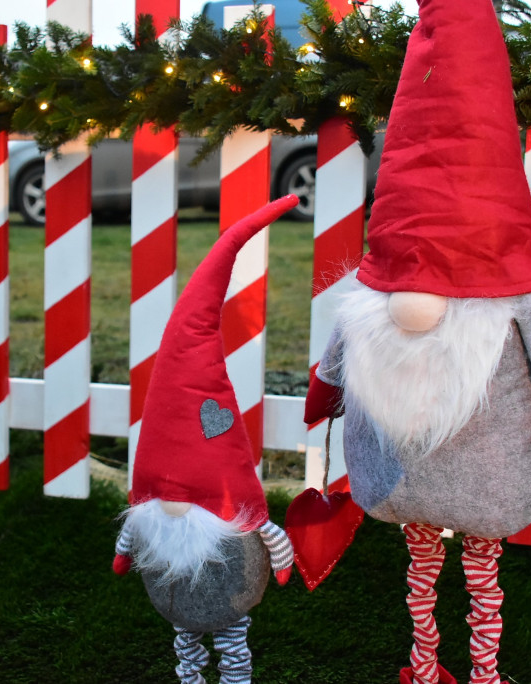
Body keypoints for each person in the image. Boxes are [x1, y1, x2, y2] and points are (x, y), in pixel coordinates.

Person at [302, 0, 531, 682]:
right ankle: (429, 661)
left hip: (474, 475)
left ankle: (479, 668)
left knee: (471, 565)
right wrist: (325, 386)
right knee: (437, 560)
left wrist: (324, 391)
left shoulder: (505, 294)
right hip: (423, 469)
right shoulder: (388, 292)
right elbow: (344, 346)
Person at [113, 197, 298, 684]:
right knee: (185, 643)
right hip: (176, 599)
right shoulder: (153, 516)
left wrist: (280, 563)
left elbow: (271, 536)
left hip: (226, 596)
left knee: (233, 640)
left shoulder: (227, 517)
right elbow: (131, 533)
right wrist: (122, 551)